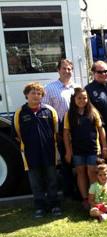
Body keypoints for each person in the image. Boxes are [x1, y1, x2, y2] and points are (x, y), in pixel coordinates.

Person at [14, 82, 61, 218]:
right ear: (26, 95)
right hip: (30, 154)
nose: (36, 96)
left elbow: (56, 131)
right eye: (33, 93)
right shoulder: (20, 113)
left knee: (52, 180)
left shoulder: (49, 111)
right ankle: (40, 207)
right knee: (35, 182)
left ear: (42, 96)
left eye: (39, 93)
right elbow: (17, 134)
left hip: (49, 152)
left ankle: (54, 205)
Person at [63, 88, 107, 208]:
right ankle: (85, 199)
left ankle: (95, 198)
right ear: (74, 99)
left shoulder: (93, 112)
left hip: (92, 148)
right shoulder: (69, 114)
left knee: (92, 173)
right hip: (77, 150)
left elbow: (101, 130)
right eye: (79, 98)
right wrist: (68, 151)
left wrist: (104, 147)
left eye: (85, 98)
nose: (82, 100)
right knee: (80, 173)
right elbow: (66, 134)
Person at [43, 58, 79, 199]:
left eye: (69, 68)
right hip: (61, 133)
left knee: (79, 163)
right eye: (64, 68)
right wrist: (54, 132)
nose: (66, 71)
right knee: (66, 163)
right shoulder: (49, 88)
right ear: (58, 70)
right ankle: (68, 192)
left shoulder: (77, 88)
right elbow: (45, 113)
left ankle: (81, 191)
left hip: (78, 133)